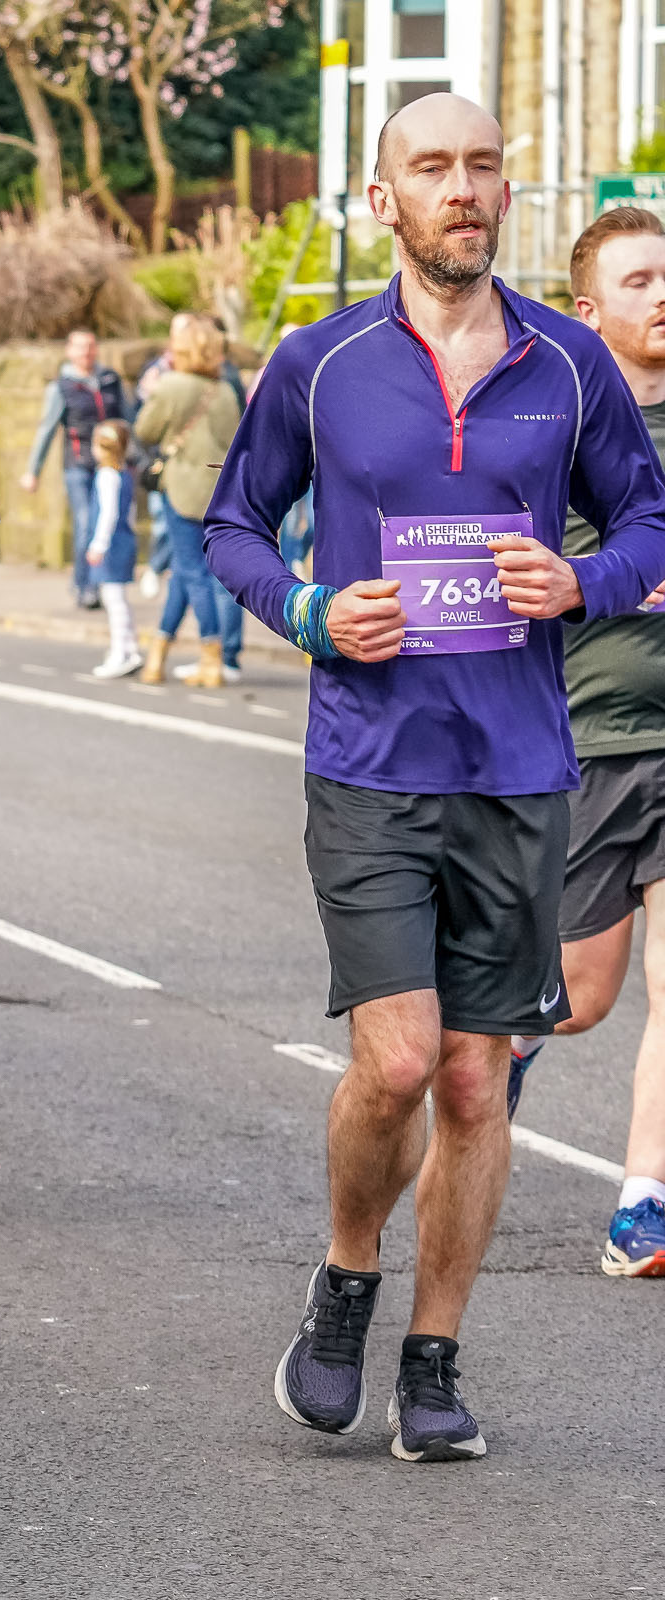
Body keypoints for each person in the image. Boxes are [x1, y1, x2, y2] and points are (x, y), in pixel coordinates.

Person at [204, 94, 665, 1463]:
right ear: (382, 196)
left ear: (506, 192)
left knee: (476, 1081)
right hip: (370, 761)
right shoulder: (320, 360)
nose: (459, 188)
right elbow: (235, 524)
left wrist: (583, 577)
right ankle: (349, 1275)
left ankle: (436, 1355)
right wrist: (306, 609)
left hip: (523, 768)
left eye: (479, 166)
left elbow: (647, 518)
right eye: (431, 167)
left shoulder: (570, 362)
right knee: (398, 1064)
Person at [510, 203, 665, 1277]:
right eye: (643, 280)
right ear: (590, 308)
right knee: (579, 993)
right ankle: (497, 1041)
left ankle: (643, 1204)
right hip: (590, 735)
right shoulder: (558, 430)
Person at [134, 314, 243, 689]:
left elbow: (144, 430)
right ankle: (157, 656)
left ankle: (210, 657)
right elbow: (236, 443)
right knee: (184, 573)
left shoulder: (171, 385)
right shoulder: (227, 390)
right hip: (216, 491)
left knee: (192, 573)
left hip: (180, 490)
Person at [20, 328, 131, 610]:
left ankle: (97, 583)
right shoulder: (61, 387)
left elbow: (127, 422)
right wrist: (33, 471)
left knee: (106, 525)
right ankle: (84, 587)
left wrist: (135, 458)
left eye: (91, 346)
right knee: (85, 524)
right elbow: (46, 430)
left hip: (110, 464)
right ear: (69, 351)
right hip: (79, 465)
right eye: (80, 347)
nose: (87, 352)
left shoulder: (109, 380)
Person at [82, 419, 141, 678]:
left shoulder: (106, 476)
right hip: (124, 540)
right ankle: (130, 648)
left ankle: (120, 654)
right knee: (118, 599)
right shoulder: (124, 474)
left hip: (112, 544)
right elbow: (131, 512)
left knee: (113, 600)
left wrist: (99, 544)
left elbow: (109, 514)